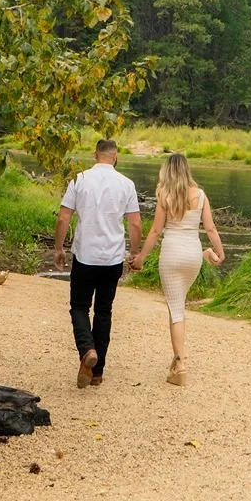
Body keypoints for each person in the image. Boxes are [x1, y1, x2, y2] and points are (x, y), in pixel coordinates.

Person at [130, 151, 225, 386]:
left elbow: (155, 231)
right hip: (192, 254)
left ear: (168, 171)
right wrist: (219, 252)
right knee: (179, 305)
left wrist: (141, 257)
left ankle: (181, 363)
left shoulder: (164, 195)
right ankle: (176, 360)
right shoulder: (201, 195)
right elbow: (210, 229)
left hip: (171, 255)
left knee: (176, 311)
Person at [54, 137, 142, 389]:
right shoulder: (126, 184)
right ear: (115, 157)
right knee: (104, 312)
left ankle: (87, 350)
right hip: (112, 257)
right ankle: (97, 372)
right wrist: (134, 253)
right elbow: (135, 223)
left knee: (79, 307)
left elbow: (63, 218)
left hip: (85, 256)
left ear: (95, 155)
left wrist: (59, 248)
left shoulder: (79, 179)